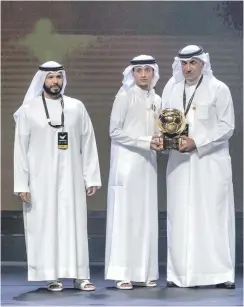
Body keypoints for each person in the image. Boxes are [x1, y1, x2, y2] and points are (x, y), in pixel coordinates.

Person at [14, 61, 101, 292]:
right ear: (42, 80)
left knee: (74, 225)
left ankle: (81, 275)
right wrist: (22, 183)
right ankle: (51, 275)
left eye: (59, 77)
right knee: (45, 226)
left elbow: (88, 142)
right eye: (50, 77)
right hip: (40, 179)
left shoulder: (76, 107)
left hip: (71, 178)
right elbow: (20, 149)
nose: (55, 82)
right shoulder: (28, 110)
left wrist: (91, 177)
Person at [161, 45, 235, 288]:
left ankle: (220, 274)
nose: (188, 68)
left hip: (210, 163)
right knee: (179, 217)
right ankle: (179, 274)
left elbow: (227, 127)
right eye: (184, 63)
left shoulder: (218, 89)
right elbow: (165, 122)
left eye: (193, 63)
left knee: (213, 217)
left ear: (203, 64)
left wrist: (198, 142)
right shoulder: (171, 88)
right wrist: (164, 141)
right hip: (179, 164)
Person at [105, 55, 163, 290]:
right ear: (132, 73)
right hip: (127, 165)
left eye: (147, 70)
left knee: (147, 217)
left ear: (153, 72)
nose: (143, 75)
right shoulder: (124, 96)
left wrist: (160, 142)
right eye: (138, 70)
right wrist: (146, 141)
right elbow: (114, 131)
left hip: (148, 165)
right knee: (126, 218)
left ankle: (147, 271)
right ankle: (123, 273)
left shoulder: (158, 99)